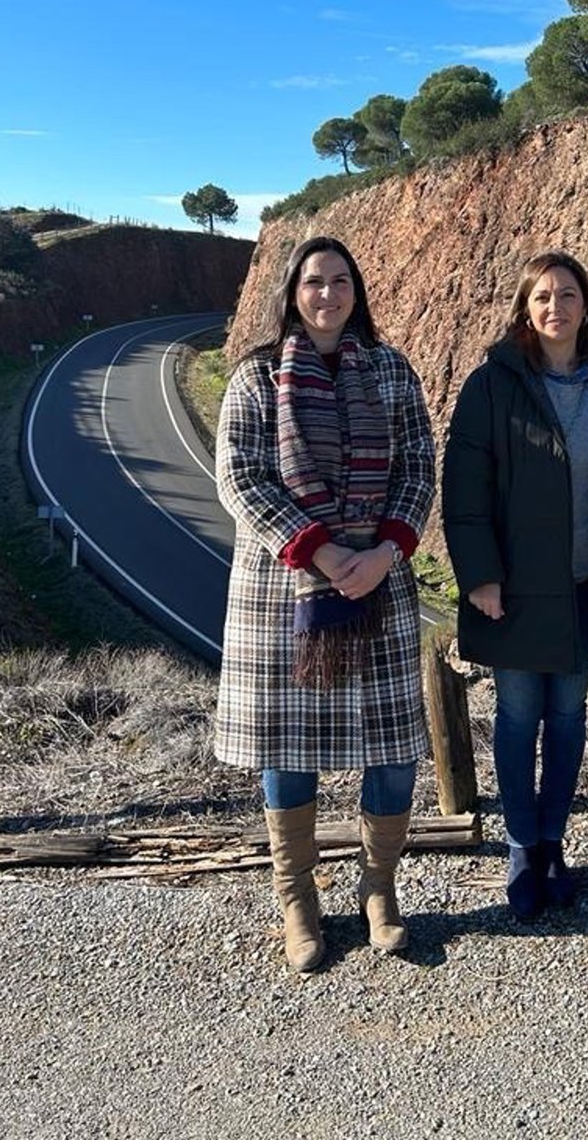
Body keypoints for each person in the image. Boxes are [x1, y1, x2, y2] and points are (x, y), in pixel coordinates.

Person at [215, 235, 436, 970]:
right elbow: (240, 476)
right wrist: (322, 550)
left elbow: (418, 467)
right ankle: (297, 900)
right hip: (285, 590)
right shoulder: (255, 376)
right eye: (314, 282)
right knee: (288, 750)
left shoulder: (391, 370)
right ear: (292, 291)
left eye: (341, 281)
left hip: (379, 583)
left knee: (394, 752)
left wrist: (385, 551)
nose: (328, 294)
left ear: (356, 291)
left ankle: (379, 889)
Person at [442, 250, 588, 919]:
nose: (555, 307)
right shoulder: (492, 385)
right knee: (516, 717)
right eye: (542, 296)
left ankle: (554, 842)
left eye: (567, 294)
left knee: (567, 717)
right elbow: (464, 489)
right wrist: (480, 575)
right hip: (514, 590)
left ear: (586, 305)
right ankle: (520, 846)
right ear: (525, 310)